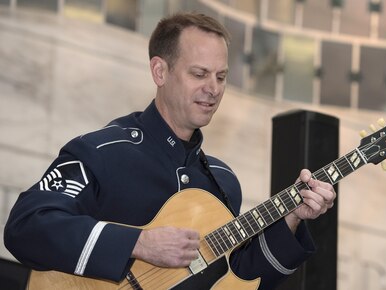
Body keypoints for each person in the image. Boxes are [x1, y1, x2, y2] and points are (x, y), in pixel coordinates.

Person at [4, 12, 336, 289]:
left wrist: (291, 216)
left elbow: (241, 278)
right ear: (160, 71)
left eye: (221, 77)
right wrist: (138, 244)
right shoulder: (102, 151)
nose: (213, 89)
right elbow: (26, 227)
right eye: (199, 74)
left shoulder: (222, 181)